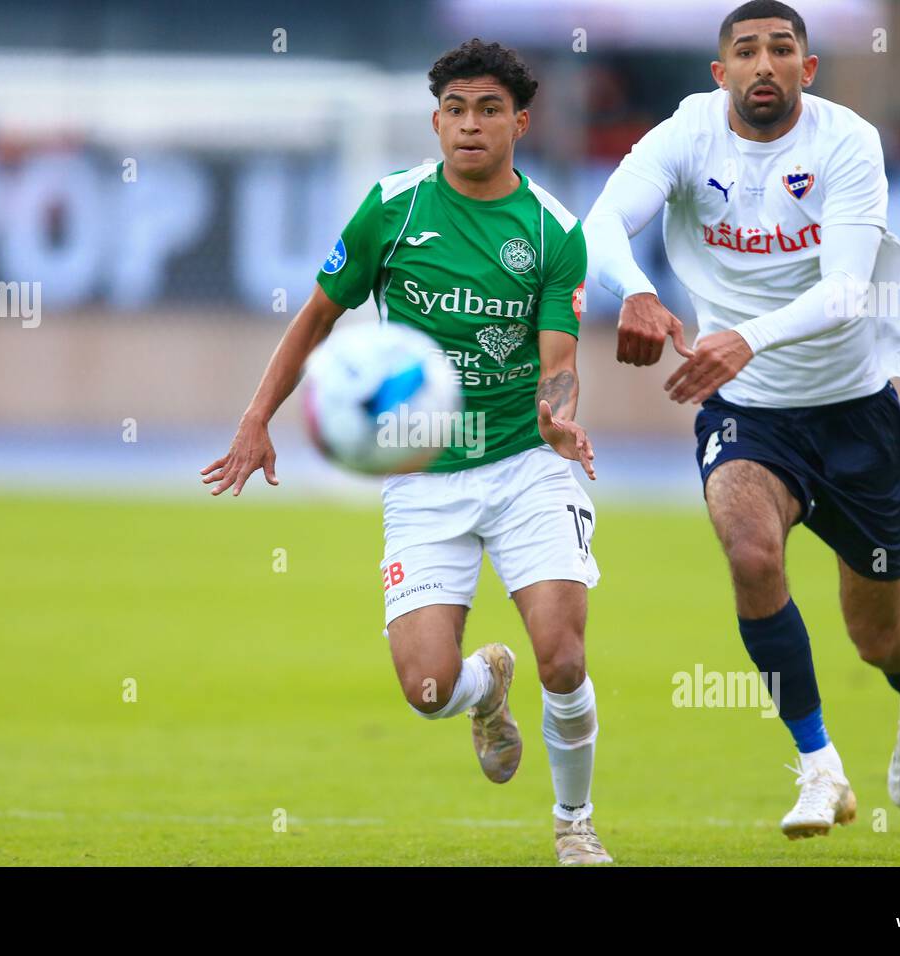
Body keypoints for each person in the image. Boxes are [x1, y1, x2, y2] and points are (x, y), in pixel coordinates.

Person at [203, 39, 611, 864]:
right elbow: (316, 317)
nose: (470, 124)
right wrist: (258, 417)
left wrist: (559, 420)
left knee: (563, 655)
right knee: (426, 689)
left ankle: (574, 823)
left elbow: (558, 363)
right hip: (423, 477)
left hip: (528, 462)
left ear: (520, 122)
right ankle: (481, 688)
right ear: (434, 120)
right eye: (456, 109)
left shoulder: (553, 231)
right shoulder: (390, 209)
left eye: (489, 110)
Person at [585, 0, 900, 839]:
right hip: (748, 411)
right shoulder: (687, 133)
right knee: (750, 552)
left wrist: (743, 337)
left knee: (878, 636)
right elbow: (599, 221)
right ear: (720, 74)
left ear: (806, 69)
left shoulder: (846, 142)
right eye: (744, 51)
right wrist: (634, 290)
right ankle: (818, 765)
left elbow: (848, 289)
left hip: (856, 411)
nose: (763, 64)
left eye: (782, 49)